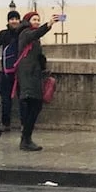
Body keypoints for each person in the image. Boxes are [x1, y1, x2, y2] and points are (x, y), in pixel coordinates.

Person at [14, 10, 62, 151]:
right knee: (34, 105)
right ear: (28, 21)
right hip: (27, 76)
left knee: (34, 106)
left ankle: (26, 138)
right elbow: (36, 33)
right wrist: (49, 24)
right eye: (34, 19)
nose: (36, 22)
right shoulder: (25, 33)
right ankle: (25, 139)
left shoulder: (33, 37)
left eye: (38, 20)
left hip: (34, 75)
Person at [0, 10, 22, 131]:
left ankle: (24, 123)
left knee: (22, 97)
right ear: (8, 21)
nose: (14, 21)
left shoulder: (23, 33)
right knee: (5, 98)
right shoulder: (3, 34)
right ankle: (6, 123)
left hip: (21, 70)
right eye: (12, 19)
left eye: (16, 19)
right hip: (7, 71)